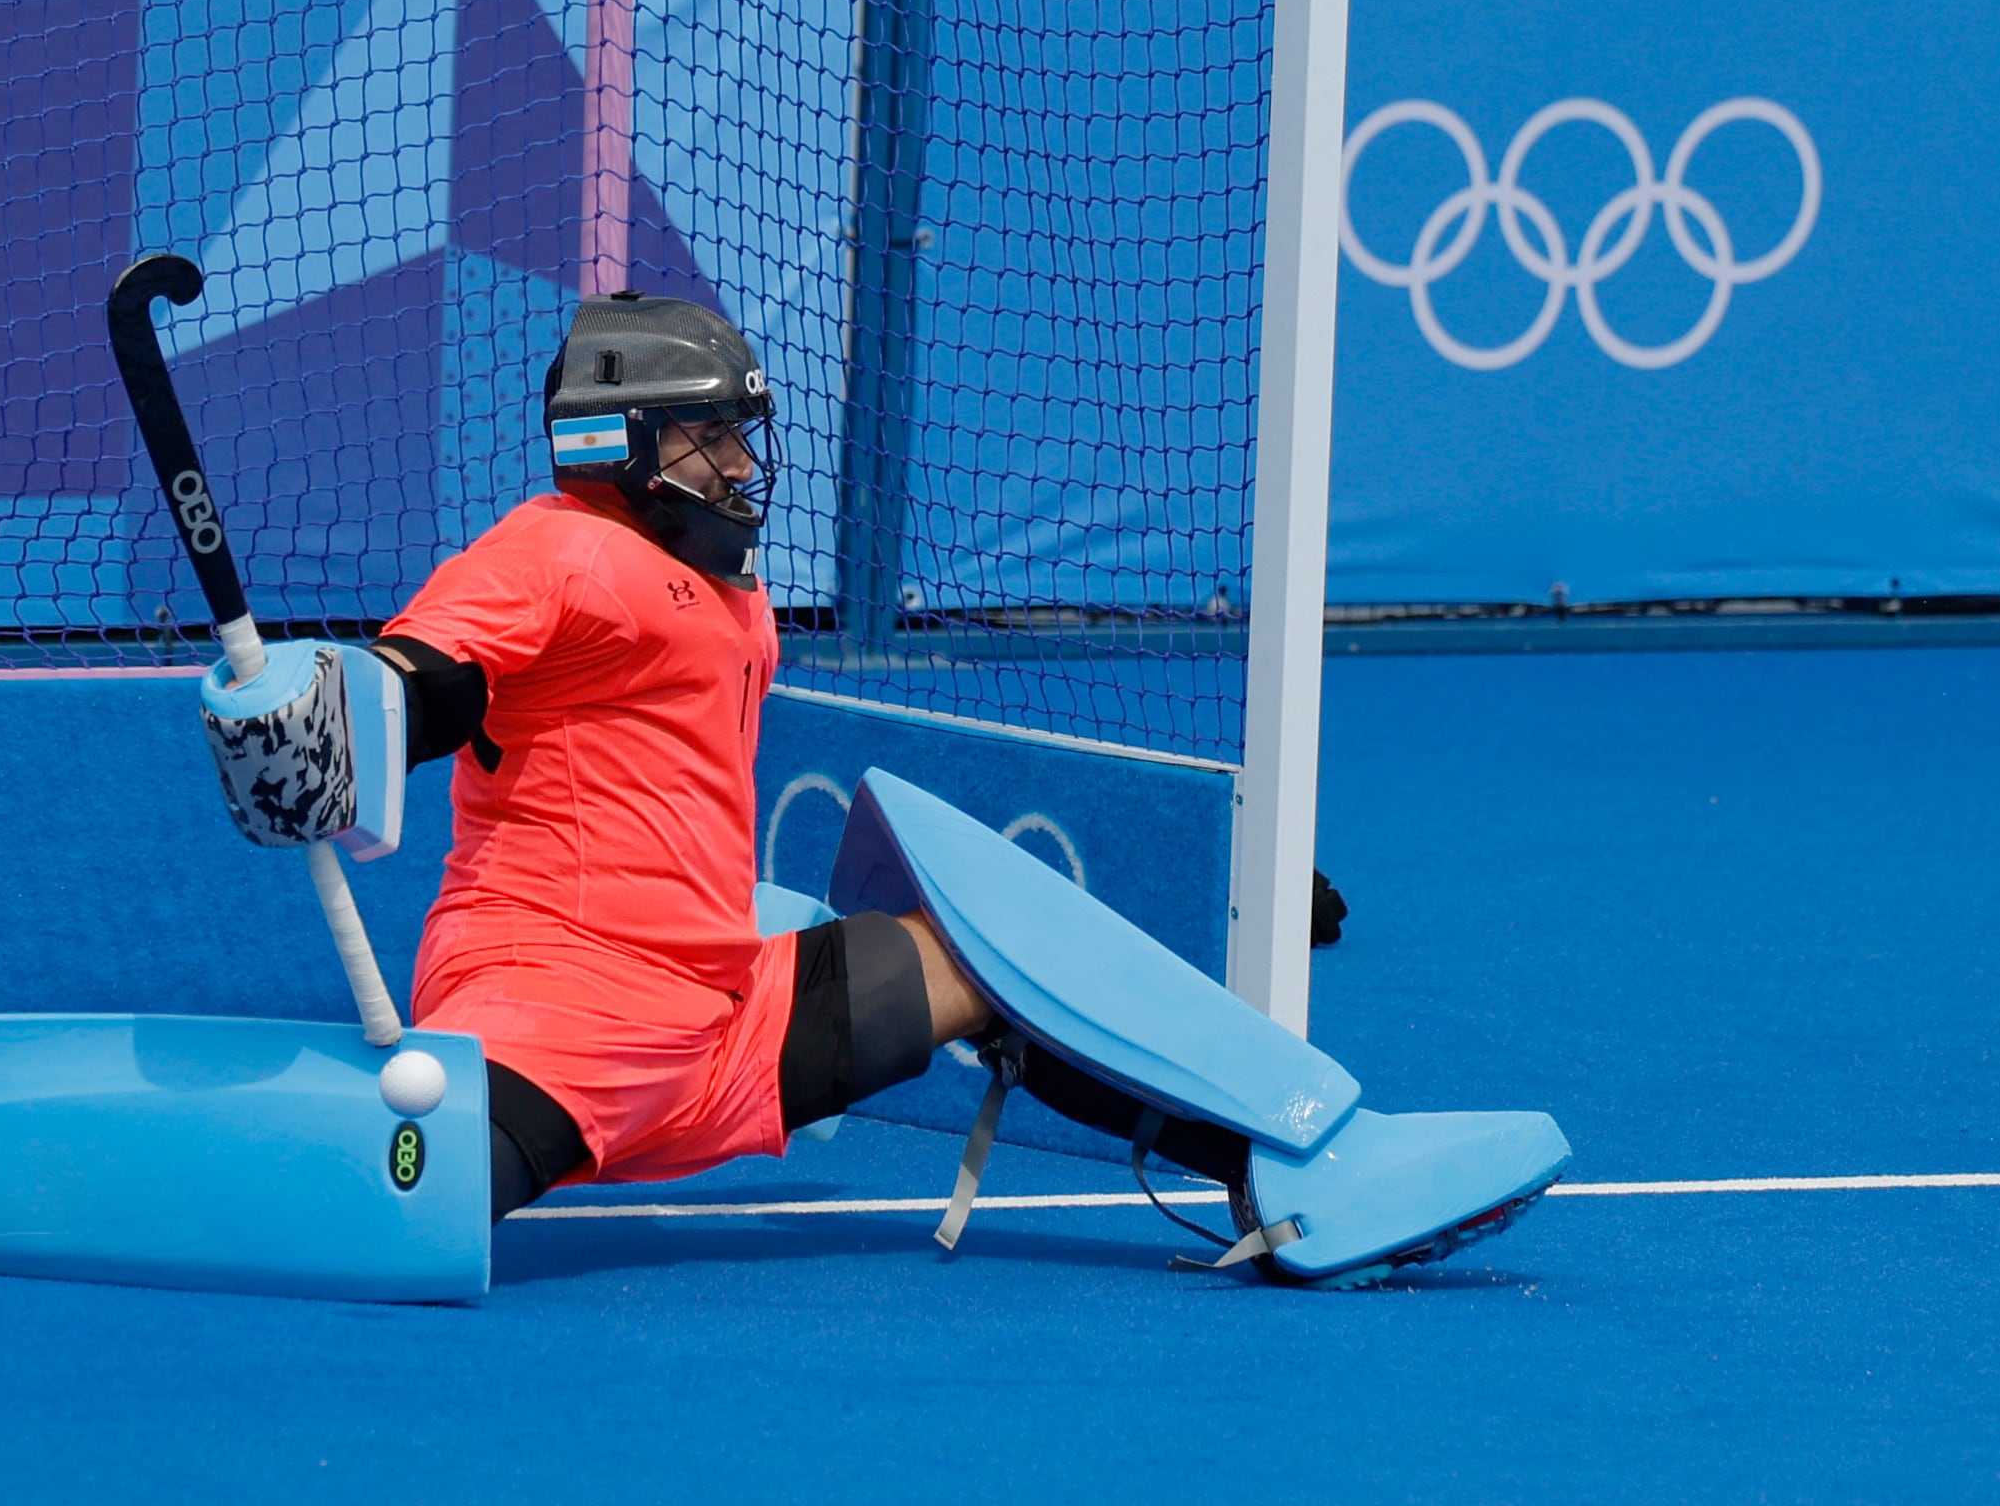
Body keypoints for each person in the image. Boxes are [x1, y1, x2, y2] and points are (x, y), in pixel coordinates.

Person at [352, 292, 1319, 1223]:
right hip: (571, 1005)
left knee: (987, 967)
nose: (739, 460)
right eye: (712, 433)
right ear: (624, 442)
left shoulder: (719, 587)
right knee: (408, 1198)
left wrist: (1246, 889)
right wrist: (344, 713)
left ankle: (1274, 1176)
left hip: (724, 1017)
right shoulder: (557, 550)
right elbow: (431, 666)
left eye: (740, 430)